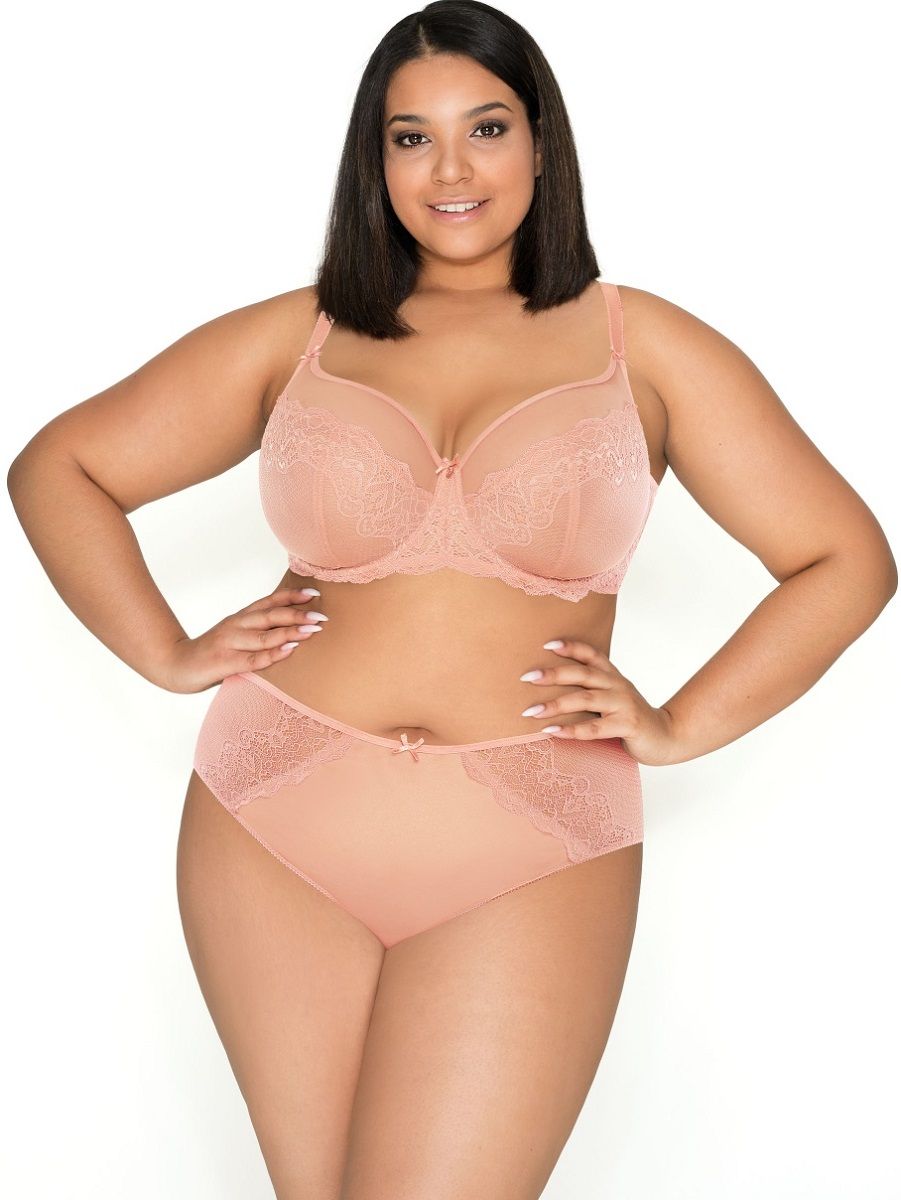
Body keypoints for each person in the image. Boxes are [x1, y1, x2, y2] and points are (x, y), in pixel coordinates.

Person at [6, 2, 897, 1197]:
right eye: (410, 137)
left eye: (485, 127)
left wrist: (680, 723)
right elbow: (60, 468)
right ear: (373, 162)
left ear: (541, 142)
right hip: (273, 813)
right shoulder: (301, 334)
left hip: (529, 837)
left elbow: (843, 558)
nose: (451, 170)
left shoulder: (646, 346)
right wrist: (166, 653)